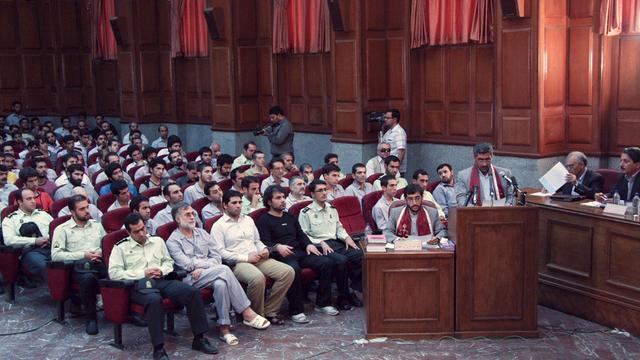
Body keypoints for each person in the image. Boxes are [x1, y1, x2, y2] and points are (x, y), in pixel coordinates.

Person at [109, 213, 218, 359]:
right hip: (138, 285)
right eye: (136, 231)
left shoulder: (157, 241)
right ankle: (159, 348)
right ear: (128, 232)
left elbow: (168, 262)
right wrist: (143, 273)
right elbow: (114, 273)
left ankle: (199, 339)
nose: (142, 233)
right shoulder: (120, 247)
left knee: (192, 292)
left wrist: (161, 270)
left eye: (143, 229)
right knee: (154, 300)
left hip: (161, 280)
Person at [166, 204, 270, 345]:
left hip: (209, 272)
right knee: (224, 270)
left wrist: (204, 267)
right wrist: (208, 265)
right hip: (190, 278)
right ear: (178, 219)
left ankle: (225, 330)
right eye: (188, 215)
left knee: (221, 284)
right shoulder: (172, 241)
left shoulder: (202, 233)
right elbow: (187, 265)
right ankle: (246, 311)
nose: (192, 217)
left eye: (193, 214)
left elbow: (217, 256)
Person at [210, 190, 295, 324]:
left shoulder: (248, 219)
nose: (238, 206)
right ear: (225, 206)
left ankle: (270, 310)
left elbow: (257, 241)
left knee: (288, 271)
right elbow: (220, 252)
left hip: (258, 258)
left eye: (240, 202)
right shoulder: (218, 226)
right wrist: (246, 258)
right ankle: (255, 315)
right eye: (234, 203)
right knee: (257, 278)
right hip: (237, 263)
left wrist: (264, 249)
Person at [257, 185, 340, 321]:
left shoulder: (289, 216)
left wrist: (308, 244)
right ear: (269, 202)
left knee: (327, 262)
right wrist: (277, 247)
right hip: (281, 256)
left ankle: (323, 303)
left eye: (283, 197)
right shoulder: (263, 220)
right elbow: (263, 242)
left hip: (299, 252)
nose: (283, 200)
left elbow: (301, 234)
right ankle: (296, 310)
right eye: (278, 198)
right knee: (294, 269)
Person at [298, 180, 363, 310]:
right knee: (341, 261)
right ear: (312, 194)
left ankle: (353, 290)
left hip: (336, 242)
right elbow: (303, 235)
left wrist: (346, 237)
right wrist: (320, 243)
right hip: (320, 246)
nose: (323, 193)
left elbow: (339, 227)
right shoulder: (305, 212)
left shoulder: (332, 208)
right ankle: (343, 298)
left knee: (360, 255)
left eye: (325, 189)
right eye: (320, 190)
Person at [51, 195, 106, 335]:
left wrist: (98, 252)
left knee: (116, 270)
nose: (87, 211)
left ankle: (127, 311)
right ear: (72, 212)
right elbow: (56, 255)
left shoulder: (97, 226)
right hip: (76, 268)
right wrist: (83, 255)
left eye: (87, 207)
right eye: (82, 209)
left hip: (98, 262)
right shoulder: (62, 229)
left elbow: (106, 245)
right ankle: (91, 318)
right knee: (87, 277)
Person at [2, 189, 53, 281]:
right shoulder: (11, 219)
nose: (33, 201)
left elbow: (57, 230)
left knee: (65, 263)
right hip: (31, 251)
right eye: (29, 199)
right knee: (45, 267)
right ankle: (59, 293)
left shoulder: (43, 214)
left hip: (52, 246)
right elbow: (9, 240)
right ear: (20, 202)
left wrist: (48, 238)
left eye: (34, 198)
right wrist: (35, 241)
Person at [378, 109, 407, 175]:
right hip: (388, 167)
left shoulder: (399, 132)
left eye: (387, 118)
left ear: (394, 119)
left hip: (395, 169)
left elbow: (401, 151)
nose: (385, 119)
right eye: (385, 117)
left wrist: (396, 167)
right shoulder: (389, 132)